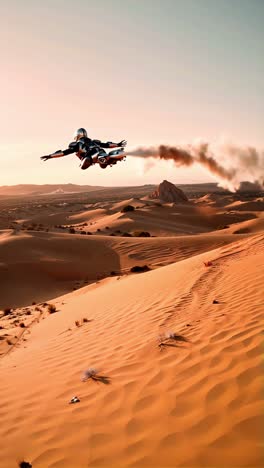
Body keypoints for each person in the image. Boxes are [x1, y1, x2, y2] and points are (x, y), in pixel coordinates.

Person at [41, 128, 127, 169]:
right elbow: (107, 144)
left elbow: (64, 152)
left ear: (77, 136)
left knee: (83, 166)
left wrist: (50, 156)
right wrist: (118, 144)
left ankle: (104, 159)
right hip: (100, 152)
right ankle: (110, 157)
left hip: (89, 156)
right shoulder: (94, 141)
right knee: (103, 165)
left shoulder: (77, 144)